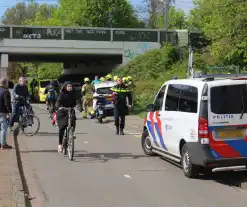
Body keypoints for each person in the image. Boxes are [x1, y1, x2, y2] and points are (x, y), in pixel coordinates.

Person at [55, 82, 82, 153]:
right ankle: (60, 144)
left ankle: (72, 132)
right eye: (68, 86)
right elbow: (58, 101)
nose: (70, 88)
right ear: (65, 87)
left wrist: (79, 106)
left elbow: (77, 100)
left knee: (73, 122)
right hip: (62, 110)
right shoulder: (62, 93)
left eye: (71, 86)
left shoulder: (74, 93)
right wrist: (57, 106)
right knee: (62, 127)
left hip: (71, 109)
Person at [0, 77, 12, 149]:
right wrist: (9, 111)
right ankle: (3, 144)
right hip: (2, 112)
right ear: (5, 83)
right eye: (7, 83)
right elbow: (7, 103)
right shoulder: (5, 91)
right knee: (3, 128)